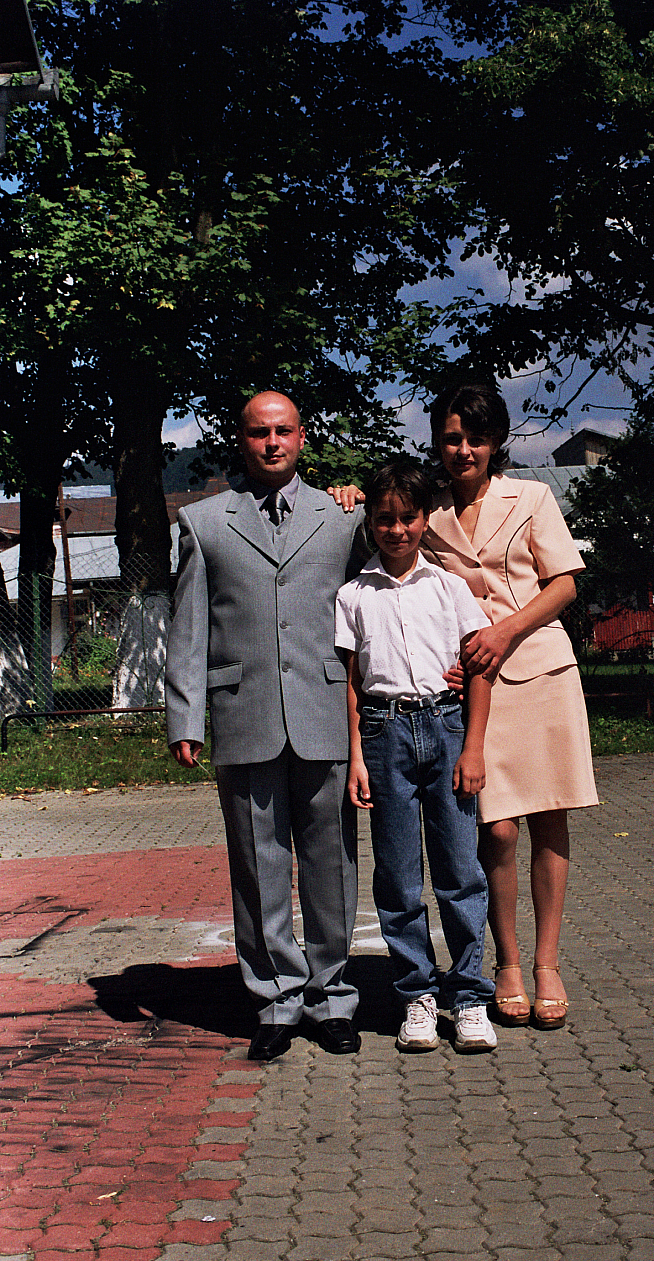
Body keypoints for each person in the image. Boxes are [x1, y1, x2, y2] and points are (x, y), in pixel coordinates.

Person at [165, 391, 369, 1061]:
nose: (272, 442)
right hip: (243, 713)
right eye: (259, 432)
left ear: (303, 437)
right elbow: (188, 629)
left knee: (330, 862)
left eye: (283, 431)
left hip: (324, 711)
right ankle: (277, 1000)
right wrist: (184, 717)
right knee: (257, 864)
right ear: (242, 440)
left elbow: (377, 604)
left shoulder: (344, 515)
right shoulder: (203, 522)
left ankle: (332, 995)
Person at [421, 384, 599, 1030]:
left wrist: (504, 632)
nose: (462, 449)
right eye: (451, 437)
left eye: (475, 437)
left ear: (495, 443)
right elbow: (397, 575)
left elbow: (564, 585)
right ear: (437, 442)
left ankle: (547, 963)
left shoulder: (531, 498)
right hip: (476, 689)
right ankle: (507, 962)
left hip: (540, 669)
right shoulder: (427, 511)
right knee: (494, 828)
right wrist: (347, 496)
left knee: (549, 819)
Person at [335, 458, 498, 1053]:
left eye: (408, 518)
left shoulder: (450, 587)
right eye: (385, 518)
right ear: (372, 523)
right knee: (399, 878)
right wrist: (357, 756)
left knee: (460, 872)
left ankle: (470, 995)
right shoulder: (353, 595)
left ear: (425, 520)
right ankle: (417, 996)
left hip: (447, 728)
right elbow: (353, 683)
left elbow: (480, 665)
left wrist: (473, 746)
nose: (396, 529)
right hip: (384, 736)